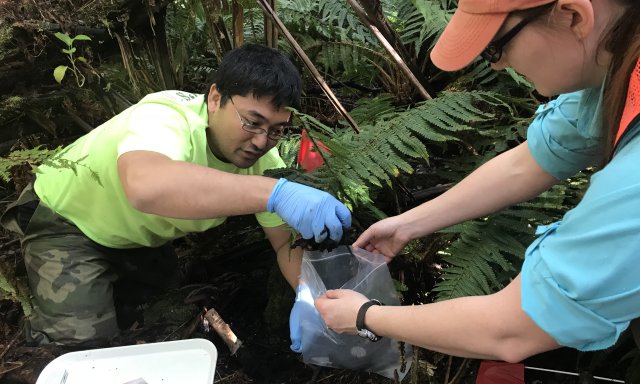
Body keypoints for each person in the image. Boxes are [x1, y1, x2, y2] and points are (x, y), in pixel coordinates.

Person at [315, 0, 640, 363]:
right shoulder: (614, 69)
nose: (497, 64)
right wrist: (408, 224)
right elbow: (532, 161)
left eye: (494, 47)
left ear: (573, 16)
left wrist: (364, 316)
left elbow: (514, 328)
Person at [0, 43, 351, 347]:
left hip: (139, 238)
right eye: (252, 122)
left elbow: (282, 244)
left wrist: (311, 297)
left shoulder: (264, 162)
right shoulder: (166, 116)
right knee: (81, 341)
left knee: (166, 318)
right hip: (70, 219)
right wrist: (275, 193)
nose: (261, 141)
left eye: (276, 130)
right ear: (215, 98)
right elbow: (146, 186)